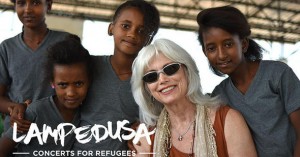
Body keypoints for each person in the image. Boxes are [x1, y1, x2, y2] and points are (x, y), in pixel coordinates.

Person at [197, 6, 300, 157]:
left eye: (228, 44)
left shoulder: (278, 74)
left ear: (244, 44)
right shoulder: (219, 95)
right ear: (205, 52)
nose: (221, 55)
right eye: (211, 48)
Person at [130, 38, 257, 157]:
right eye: (151, 77)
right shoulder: (144, 138)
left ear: (187, 71)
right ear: (147, 88)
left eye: (170, 69)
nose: (162, 79)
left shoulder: (228, 121)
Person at [71, 0, 160, 155]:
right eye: (126, 26)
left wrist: (147, 125)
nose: (132, 34)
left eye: (141, 31)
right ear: (111, 28)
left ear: (149, 40)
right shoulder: (88, 66)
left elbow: (164, 118)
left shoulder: (152, 80)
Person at [0, 35, 93, 157]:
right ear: (52, 83)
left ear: (89, 81)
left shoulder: (87, 113)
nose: (71, 93)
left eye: (79, 83)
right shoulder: (35, 112)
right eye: (63, 85)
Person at [0, 0, 70, 132]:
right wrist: (15, 108)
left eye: (36, 3)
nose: (27, 9)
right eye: (21, 3)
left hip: (56, 132)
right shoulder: (6, 48)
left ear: (48, 5)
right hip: (17, 132)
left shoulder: (65, 42)